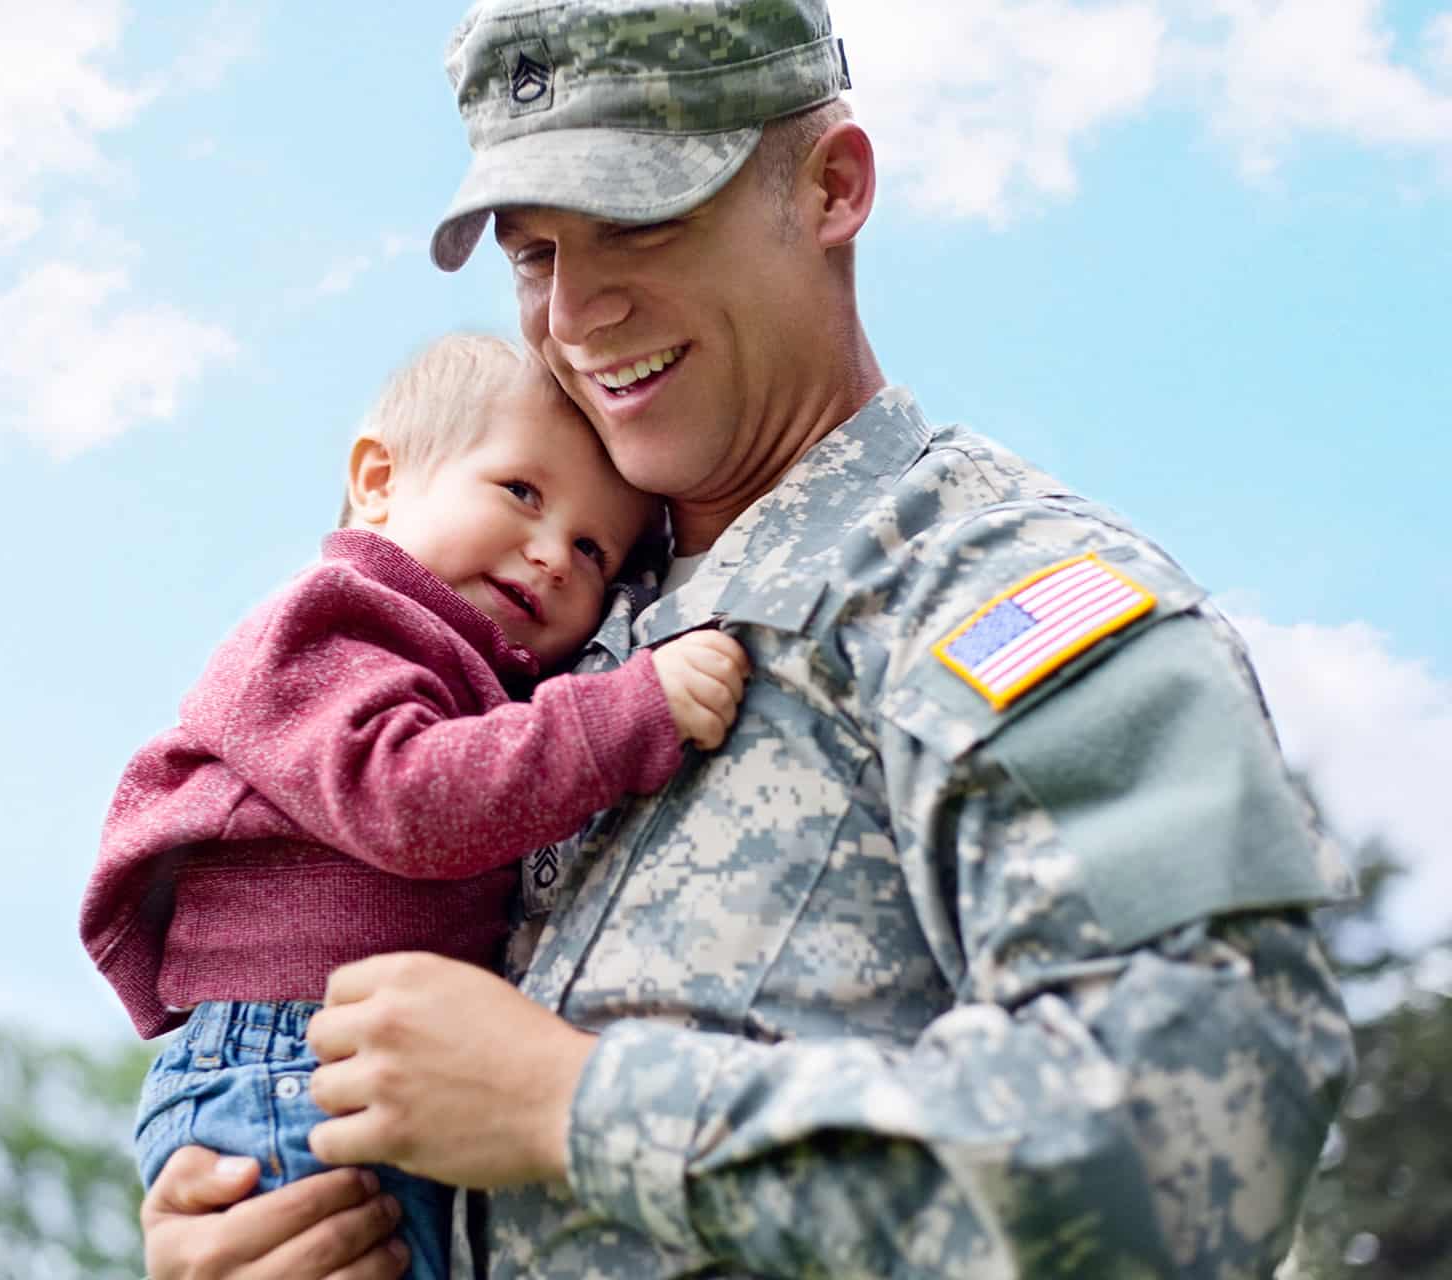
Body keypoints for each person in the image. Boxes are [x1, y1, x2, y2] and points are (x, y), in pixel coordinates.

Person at [140, 2, 1359, 1276]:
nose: (578, 309)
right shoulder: (534, 630)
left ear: (833, 187)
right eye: (534, 251)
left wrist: (574, 1105)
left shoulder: (1003, 588)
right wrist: (252, 1211)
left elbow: (1203, 1141)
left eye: (640, 219)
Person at [81, 333, 751, 1279]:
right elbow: (410, 800)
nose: (556, 554)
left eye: (595, 549)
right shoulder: (336, 623)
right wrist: (631, 711)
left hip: (367, 1063)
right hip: (293, 1058)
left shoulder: (478, 668)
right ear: (379, 480)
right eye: (522, 492)